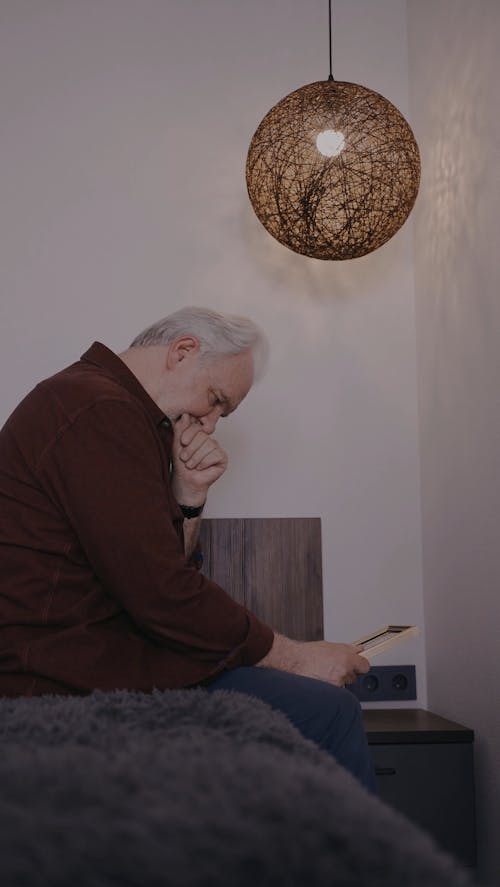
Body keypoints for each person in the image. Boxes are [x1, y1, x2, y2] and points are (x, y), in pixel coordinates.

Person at [0, 306, 375, 791]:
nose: (212, 424)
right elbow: (163, 594)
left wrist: (189, 496)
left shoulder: (113, 408)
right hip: (60, 679)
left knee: (313, 707)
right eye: (216, 400)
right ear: (182, 351)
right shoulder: (100, 410)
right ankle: (353, 866)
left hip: (98, 661)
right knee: (330, 711)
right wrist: (299, 657)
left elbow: (152, 569)